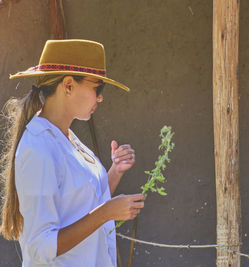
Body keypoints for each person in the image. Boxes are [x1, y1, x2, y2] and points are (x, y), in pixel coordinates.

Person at [0, 39, 145, 266]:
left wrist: (115, 171)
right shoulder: (38, 148)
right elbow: (41, 247)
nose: (100, 97)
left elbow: (82, 204)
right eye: (98, 87)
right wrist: (107, 213)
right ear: (68, 85)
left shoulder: (65, 137)